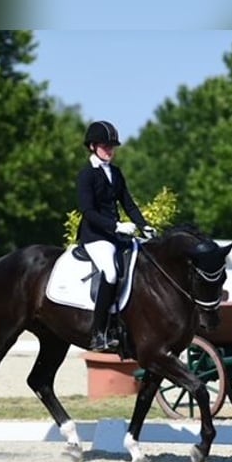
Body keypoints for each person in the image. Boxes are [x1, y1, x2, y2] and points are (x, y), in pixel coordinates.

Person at [76, 120, 156, 351]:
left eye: (112, 146)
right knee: (110, 273)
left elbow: (128, 204)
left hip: (115, 235)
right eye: (105, 146)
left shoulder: (116, 173)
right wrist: (116, 226)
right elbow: (87, 211)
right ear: (92, 146)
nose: (110, 150)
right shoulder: (86, 176)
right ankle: (98, 333)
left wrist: (145, 226)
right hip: (95, 235)